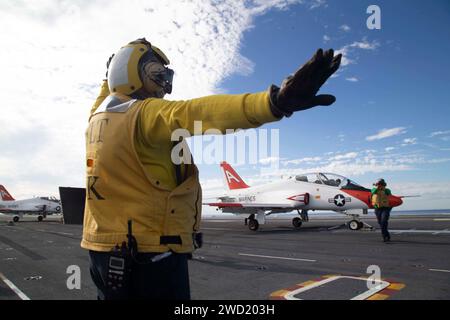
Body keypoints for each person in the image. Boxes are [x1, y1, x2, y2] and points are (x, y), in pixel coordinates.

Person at [81, 38, 342, 299]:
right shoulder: (145, 114)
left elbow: (109, 93)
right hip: (150, 254)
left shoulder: (97, 118)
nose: (163, 83)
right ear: (135, 75)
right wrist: (274, 103)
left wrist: (109, 76)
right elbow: (198, 112)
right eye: (157, 74)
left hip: (103, 250)